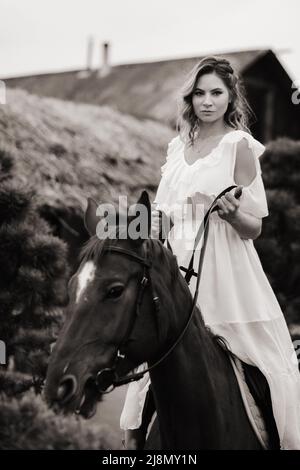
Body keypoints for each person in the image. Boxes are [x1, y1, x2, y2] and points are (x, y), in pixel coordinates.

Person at [120, 56, 300, 450]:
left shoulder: (239, 147)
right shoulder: (175, 148)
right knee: (158, 360)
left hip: (225, 268)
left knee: (267, 364)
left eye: (216, 92)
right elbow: (167, 215)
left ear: (230, 96)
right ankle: (138, 444)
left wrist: (236, 215)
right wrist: (156, 226)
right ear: (190, 98)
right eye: (199, 93)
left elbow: (255, 226)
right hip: (175, 267)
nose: (207, 101)